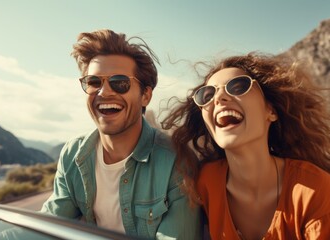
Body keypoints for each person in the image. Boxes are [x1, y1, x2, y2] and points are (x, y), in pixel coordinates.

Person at [41, 29, 201, 239]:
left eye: (120, 82)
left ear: (145, 95)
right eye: (93, 82)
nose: (104, 92)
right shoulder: (73, 154)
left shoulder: (176, 161)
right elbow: (47, 226)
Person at [162, 52, 330, 239]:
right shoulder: (204, 183)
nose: (218, 99)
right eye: (207, 95)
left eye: (238, 86)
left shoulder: (315, 190)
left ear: (271, 110)